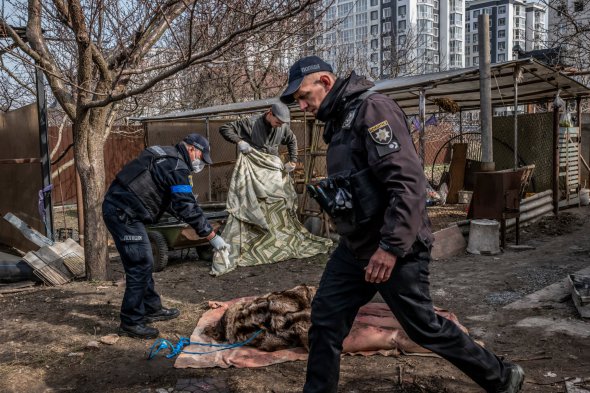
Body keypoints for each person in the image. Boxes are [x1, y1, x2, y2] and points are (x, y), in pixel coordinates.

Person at [280, 55, 525, 393]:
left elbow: (407, 183)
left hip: (394, 247)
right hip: (356, 247)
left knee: (423, 326)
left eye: (304, 96)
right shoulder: (339, 121)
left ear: (324, 82)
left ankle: (502, 375)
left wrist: (391, 247)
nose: (303, 106)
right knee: (325, 319)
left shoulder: (372, 110)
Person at [102, 134, 229, 339]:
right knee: (140, 263)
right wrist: (211, 235)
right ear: (191, 149)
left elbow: (169, 197)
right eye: (201, 157)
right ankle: (131, 321)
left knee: (144, 261)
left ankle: (152, 308)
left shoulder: (166, 156)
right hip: (123, 213)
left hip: (123, 209)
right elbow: (186, 206)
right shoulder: (177, 166)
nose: (201, 164)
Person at [219, 102, 298, 172]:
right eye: (278, 122)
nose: (280, 126)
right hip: (253, 166)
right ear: (270, 113)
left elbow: (292, 140)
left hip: (272, 165)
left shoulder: (283, 127)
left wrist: (293, 161)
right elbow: (225, 128)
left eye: (282, 123)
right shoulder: (251, 123)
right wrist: (239, 141)